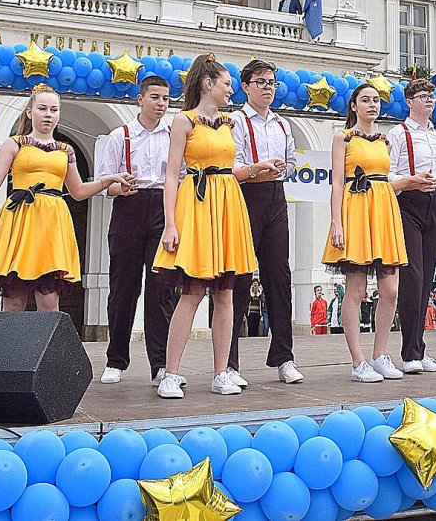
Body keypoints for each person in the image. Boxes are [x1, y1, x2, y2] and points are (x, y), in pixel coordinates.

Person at [0, 84, 132, 310]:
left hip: (52, 223)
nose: (48, 115)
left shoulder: (65, 150)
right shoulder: (15, 144)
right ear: (30, 112)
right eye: (42, 109)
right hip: (20, 220)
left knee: (49, 299)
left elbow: (78, 191)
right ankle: (11, 336)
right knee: (14, 297)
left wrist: (109, 180)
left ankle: (50, 336)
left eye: (54, 110)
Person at [153, 54, 259, 399]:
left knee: (225, 293)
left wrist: (257, 169)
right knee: (193, 291)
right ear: (207, 84)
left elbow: (233, 167)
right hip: (197, 203)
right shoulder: (183, 121)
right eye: (226, 83)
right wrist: (170, 224)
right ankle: (170, 373)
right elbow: (172, 175)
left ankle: (221, 372)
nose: (231, 90)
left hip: (227, 202)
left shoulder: (230, 122)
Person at [95, 74, 178, 386]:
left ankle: (161, 364)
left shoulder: (173, 136)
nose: (161, 104)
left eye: (166, 99)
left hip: (163, 209)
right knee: (123, 288)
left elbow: (181, 176)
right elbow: (105, 183)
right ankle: (116, 360)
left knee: (161, 290)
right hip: (128, 208)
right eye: (155, 97)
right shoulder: (121, 136)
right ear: (140, 99)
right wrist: (120, 186)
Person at [322, 83, 408, 382]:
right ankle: (358, 361)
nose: (372, 105)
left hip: (383, 209)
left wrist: (410, 182)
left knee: (391, 290)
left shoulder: (385, 141)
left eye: (376, 100)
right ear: (354, 105)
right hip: (356, 209)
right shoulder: (343, 138)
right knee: (356, 289)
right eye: (366, 100)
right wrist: (336, 222)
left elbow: (388, 179)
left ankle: (379, 354)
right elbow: (337, 182)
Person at [227, 59, 303, 387]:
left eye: (272, 82)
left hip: (275, 196)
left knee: (279, 277)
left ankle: (284, 357)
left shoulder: (282, 124)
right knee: (239, 278)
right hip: (247, 196)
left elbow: (292, 161)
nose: (268, 88)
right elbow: (233, 165)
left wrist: (282, 169)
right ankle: (229, 362)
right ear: (245, 87)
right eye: (261, 82)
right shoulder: (236, 121)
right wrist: (258, 168)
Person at [387, 78, 436, 375]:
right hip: (407, 204)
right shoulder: (397, 134)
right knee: (412, 278)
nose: (429, 100)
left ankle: (419, 347)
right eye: (423, 96)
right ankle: (410, 352)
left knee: (427, 278)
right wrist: (410, 182)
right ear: (409, 101)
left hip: (432, 204)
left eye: (432, 96)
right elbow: (386, 175)